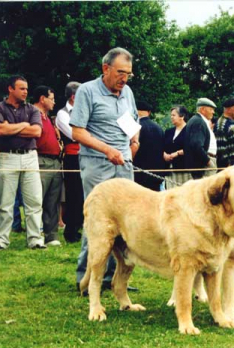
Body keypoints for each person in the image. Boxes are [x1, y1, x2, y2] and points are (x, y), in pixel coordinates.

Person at [70, 47, 139, 292]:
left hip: (124, 164)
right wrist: (107, 150)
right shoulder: (87, 91)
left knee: (127, 223)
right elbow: (77, 132)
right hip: (97, 163)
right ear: (105, 68)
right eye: (120, 72)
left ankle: (116, 279)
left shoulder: (127, 92)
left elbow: (132, 123)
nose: (124, 78)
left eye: (128, 74)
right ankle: (86, 279)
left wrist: (134, 142)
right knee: (99, 222)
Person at [0, 75, 45, 251]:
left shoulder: (32, 109)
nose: (26, 91)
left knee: (34, 201)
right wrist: (25, 125)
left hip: (30, 157)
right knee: (6, 202)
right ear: (10, 89)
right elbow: (0, 129)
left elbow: (37, 132)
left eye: (26, 88)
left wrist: (13, 128)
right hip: (7, 157)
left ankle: (35, 239)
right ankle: (1, 240)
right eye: (21, 88)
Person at [34, 85, 64, 246]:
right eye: (51, 99)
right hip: (41, 160)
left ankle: (51, 235)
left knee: (53, 200)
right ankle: (36, 233)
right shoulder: (32, 114)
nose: (54, 102)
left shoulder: (48, 117)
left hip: (55, 161)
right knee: (38, 199)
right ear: (42, 99)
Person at [56, 81, 83, 243]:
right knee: (74, 194)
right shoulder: (62, 113)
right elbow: (74, 135)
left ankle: (78, 226)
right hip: (73, 157)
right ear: (73, 97)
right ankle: (70, 230)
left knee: (84, 193)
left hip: (86, 155)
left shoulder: (83, 112)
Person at [134, 101, 165, 191]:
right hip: (156, 173)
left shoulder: (135, 127)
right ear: (149, 112)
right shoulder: (159, 128)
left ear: (136, 111)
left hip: (139, 173)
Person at [183, 98, 217, 180]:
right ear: (202, 109)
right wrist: (207, 161)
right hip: (204, 164)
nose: (213, 112)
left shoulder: (197, 120)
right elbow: (196, 144)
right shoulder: (198, 122)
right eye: (211, 109)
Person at [163, 105, 190, 188]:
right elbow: (162, 146)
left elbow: (192, 148)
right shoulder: (168, 132)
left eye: (174, 115)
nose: (171, 117)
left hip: (184, 170)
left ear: (182, 116)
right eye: (171, 115)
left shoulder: (189, 131)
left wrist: (178, 153)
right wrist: (164, 154)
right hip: (169, 170)